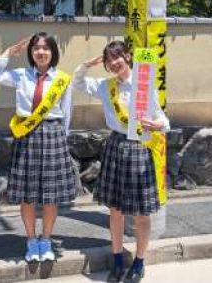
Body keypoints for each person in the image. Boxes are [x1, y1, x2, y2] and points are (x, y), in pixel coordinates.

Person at [72, 40, 170, 283]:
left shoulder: (144, 84)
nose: (114, 63)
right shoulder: (106, 87)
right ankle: (117, 259)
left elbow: (163, 120)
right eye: (109, 60)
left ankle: (139, 262)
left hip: (139, 149)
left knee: (140, 213)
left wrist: (158, 125)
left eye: (117, 57)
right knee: (114, 210)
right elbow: (77, 83)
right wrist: (85, 65)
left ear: (127, 56)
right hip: (116, 146)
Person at [0, 32, 76, 262]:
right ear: (31, 52)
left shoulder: (63, 78)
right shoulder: (20, 75)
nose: (41, 52)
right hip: (27, 135)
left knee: (50, 195)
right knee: (27, 195)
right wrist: (7, 54)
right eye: (36, 48)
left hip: (53, 135)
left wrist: (61, 139)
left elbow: (66, 113)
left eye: (46, 48)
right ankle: (31, 240)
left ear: (53, 52)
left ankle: (46, 240)